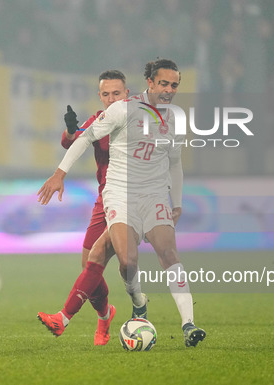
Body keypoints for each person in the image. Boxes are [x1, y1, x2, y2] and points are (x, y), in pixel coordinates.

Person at [37, 59, 206, 348]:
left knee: (168, 254)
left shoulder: (176, 118)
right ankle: (134, 301)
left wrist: (176, 202)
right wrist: (59, 173)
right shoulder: (121, 112)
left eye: (174, 85)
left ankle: (189, 325)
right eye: (163, 83)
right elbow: (80, 137)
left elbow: (175, 162)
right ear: (150, 83)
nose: (168, 90)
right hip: (116, 195)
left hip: (153, 195)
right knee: (124, 261)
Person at [60, 70, 132, 338]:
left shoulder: (139, 117)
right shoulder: (99, 121)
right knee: (88, 265)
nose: (112, 99)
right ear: (100, 96)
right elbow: (73, 140)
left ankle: (141, 308)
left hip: (134, 197)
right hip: (104, 200)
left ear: (127, 93)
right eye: (106, 94)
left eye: (117, 93)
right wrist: (69, 130)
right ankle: (105, 315)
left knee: (122, 262)